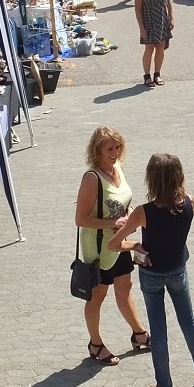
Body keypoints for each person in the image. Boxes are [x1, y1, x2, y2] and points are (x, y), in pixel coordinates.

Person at [108, 153, 194, 387]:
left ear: (151, 180)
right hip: (178, 271)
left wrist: (135, 243)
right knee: (188, 321)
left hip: (151, 275)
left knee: (158, 331)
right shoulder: (189, 202)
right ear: (179, 176)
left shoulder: (142, 212)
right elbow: (179, 210)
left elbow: (115, 244)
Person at [74, 127, 150, 366]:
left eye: (118, 147)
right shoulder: (91, 178)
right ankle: (95, 344)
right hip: (99, 246)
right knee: (98, 295)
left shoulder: (116, 168)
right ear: (97, 150)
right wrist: (113, 222)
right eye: (109, 148)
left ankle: (139, 333)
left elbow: (122, 200)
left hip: (119, 243)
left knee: (124, 287)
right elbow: (80, 219)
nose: (115, 152)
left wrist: (128, 215)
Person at [134, 0, 174, 87]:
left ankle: (157, 74)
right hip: (149, 22)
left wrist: (171, 17)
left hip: (162, 20)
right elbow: (137, 9)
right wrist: (141, 28)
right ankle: (147, 76)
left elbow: (168, 2)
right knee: (149, 48)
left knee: (161, 47)